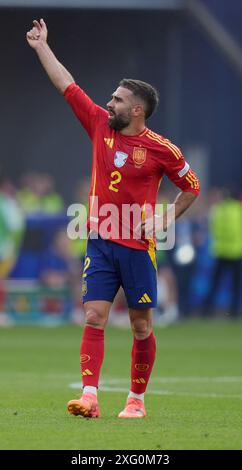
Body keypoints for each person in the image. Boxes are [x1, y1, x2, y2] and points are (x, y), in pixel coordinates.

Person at [26, 19, 200, 419]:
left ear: (137, 110)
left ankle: (136, 401)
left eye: (118, 100)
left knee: (141, 325)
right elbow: (66, 84)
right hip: (100, 240)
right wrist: (42, 47)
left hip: (138, 246)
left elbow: (192, 185)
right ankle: (89, 396)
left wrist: (166, 219)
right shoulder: (99, 125)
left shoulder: (162, 150)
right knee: (94, 315)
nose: (110, 103)